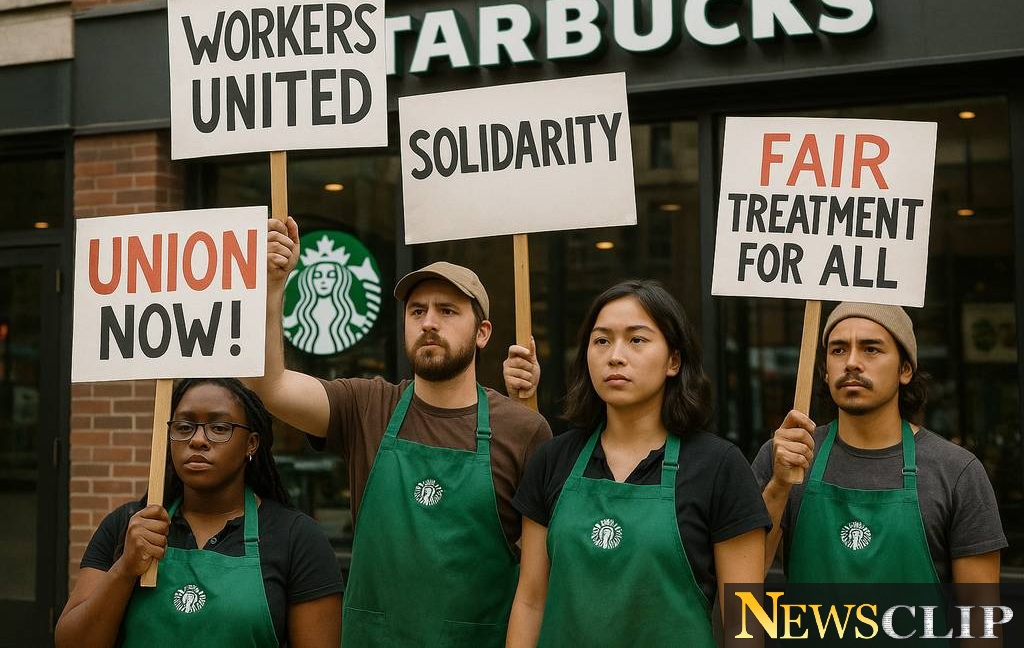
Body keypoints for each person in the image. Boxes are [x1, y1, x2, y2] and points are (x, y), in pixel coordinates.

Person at [247, 217, 552, 647]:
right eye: (417, 311)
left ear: (482, 333)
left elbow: (539, 579)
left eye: (447, 311)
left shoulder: (524, 428)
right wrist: (273, 289)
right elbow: (271, 387)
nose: (429, 322)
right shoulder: (367, 406)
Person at [504, 280, 769, 647]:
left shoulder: (720, 467)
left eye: (636, 339)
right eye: (601, 340)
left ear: (673, 360)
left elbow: (745, 622)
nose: (615, 355)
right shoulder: (552, 460)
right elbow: (531, 601)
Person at [55, 378, 343, 648]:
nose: (197, 440)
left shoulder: (296, 537)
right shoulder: (129, 524)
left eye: (219, 428)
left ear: (251, 444)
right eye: (183, 427)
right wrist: (125, 568)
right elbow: (70, 642)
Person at [753, 302, 1007, 584]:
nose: (851, 362)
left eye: (870, 349)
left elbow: (980, 620)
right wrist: (779, 486)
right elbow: (743, 584)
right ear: (826, 371)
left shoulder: (957, 472)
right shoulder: (784, 456)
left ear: (905, 369)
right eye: (838, 350)